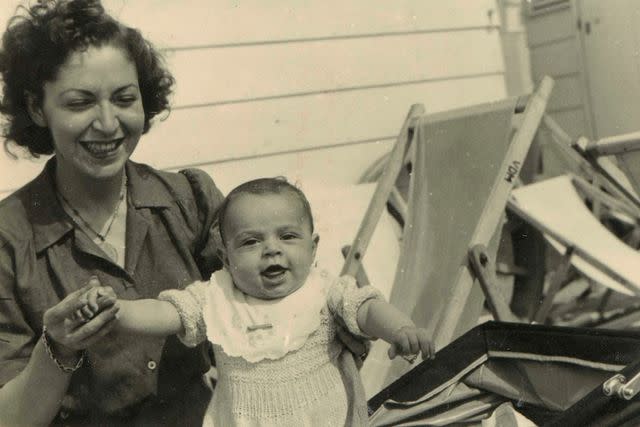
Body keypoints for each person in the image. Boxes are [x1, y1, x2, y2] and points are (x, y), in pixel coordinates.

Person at [0, 1, 369, 425]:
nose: (107, 123)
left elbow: (271, 307)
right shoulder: (9, 238)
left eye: (124, 98)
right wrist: (58, 350)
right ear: (34, 108)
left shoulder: (189, 200)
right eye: (80, 103)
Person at [78, 177, 435, 427]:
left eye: (288, 236)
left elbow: (366, 307)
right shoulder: (217, 296)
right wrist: (119, 311)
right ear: (227, 257)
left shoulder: (324, 291)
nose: (272, 249)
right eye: (251, 242)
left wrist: (399, 328)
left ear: (313, 247)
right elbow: (169, 312)